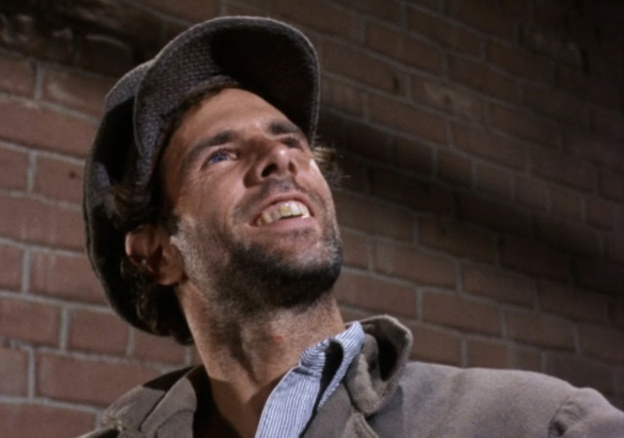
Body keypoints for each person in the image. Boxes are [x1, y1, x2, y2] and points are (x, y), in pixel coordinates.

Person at [80, 16, 623, 438]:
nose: (280, 159)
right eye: (220, 155)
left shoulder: (538, 423)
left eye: (291, 142)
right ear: (157, 255)